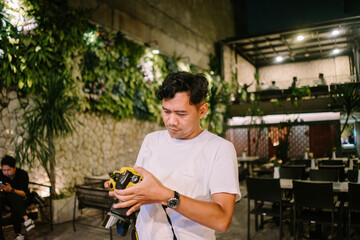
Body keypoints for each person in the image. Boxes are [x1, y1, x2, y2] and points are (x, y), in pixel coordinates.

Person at [108, 72, 241, 239]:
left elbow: (222, 220)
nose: (171, 121)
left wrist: (166, 196)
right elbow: (143, 190)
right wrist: (127, 190)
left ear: (202, 110)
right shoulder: (151, 140)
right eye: (166, 111)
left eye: (181, 114)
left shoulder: (220, 149)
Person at [0, 155, 35, 240]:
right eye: (4, 170)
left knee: (13, 199)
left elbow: (24, 194)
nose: (5, 172)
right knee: (7, 198)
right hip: (6, 199)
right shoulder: (1, 174)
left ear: (14, 168)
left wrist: (11, 189)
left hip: (23, 199)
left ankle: (18, 234)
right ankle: (26, 219)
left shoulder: (22, 174)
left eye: (8, 170)